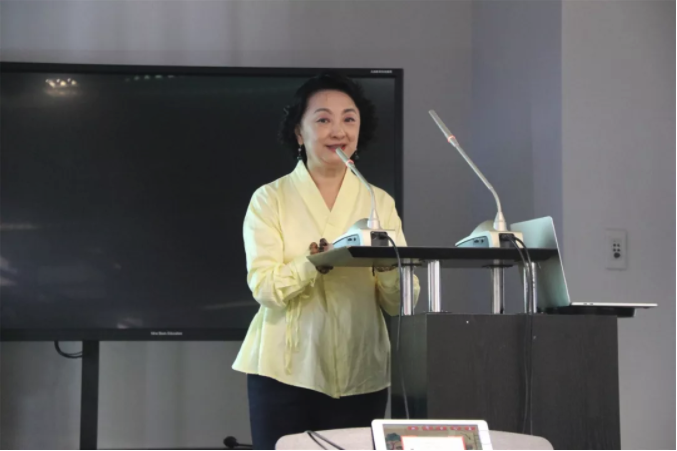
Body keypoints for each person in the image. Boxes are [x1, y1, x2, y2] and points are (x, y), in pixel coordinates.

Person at [232, 72, 420, 450]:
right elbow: (265, 289)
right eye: (323, 119)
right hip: (284, 371)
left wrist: (388, 266)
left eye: (349, 119)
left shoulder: (378, 202)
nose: (338, 131)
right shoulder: (270, 199)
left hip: (360, 371)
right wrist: (316, 262)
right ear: (299, 133)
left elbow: (401, 302)